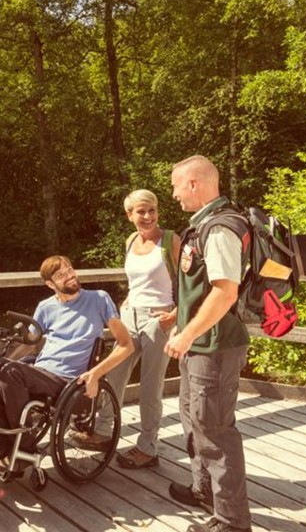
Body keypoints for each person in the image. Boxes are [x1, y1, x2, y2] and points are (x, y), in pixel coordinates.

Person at [163, 155, 253, 532]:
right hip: (199, 346)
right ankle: (204, 489)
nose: (174, 194)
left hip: (214, 349)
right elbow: (199, 290)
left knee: (215, 431)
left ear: (194, 184)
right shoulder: (203, 226)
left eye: (176, 186)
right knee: (194, 419)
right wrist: (180, 323)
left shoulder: (219, 229)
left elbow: (224, 292)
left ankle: (231, 522)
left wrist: (188, 334)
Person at [0, 255, 134, 470]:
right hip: (40, 372)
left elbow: (126, 345)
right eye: (61, 275)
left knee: (8, 371)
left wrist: (96, 373)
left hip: (68, 380)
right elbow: (29, 345)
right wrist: (1, 362)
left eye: (70, 269)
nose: (70, 276)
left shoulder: (99, 299)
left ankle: (24, 449)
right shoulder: (45, 307)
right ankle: (2, 443)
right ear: (50, 284)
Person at [95, 189, 180, 469]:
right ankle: (103, 431)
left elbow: (192, 282)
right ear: (129, 215)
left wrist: (175, 315)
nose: (147, 216)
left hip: (158, 320)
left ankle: (147, 448)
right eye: (141, 211)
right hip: (130, 316)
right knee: (114, 375)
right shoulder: (131, 240)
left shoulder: (171, 240)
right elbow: (136, 281)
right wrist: (127, 302)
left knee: (150, 387)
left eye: (152, 210)